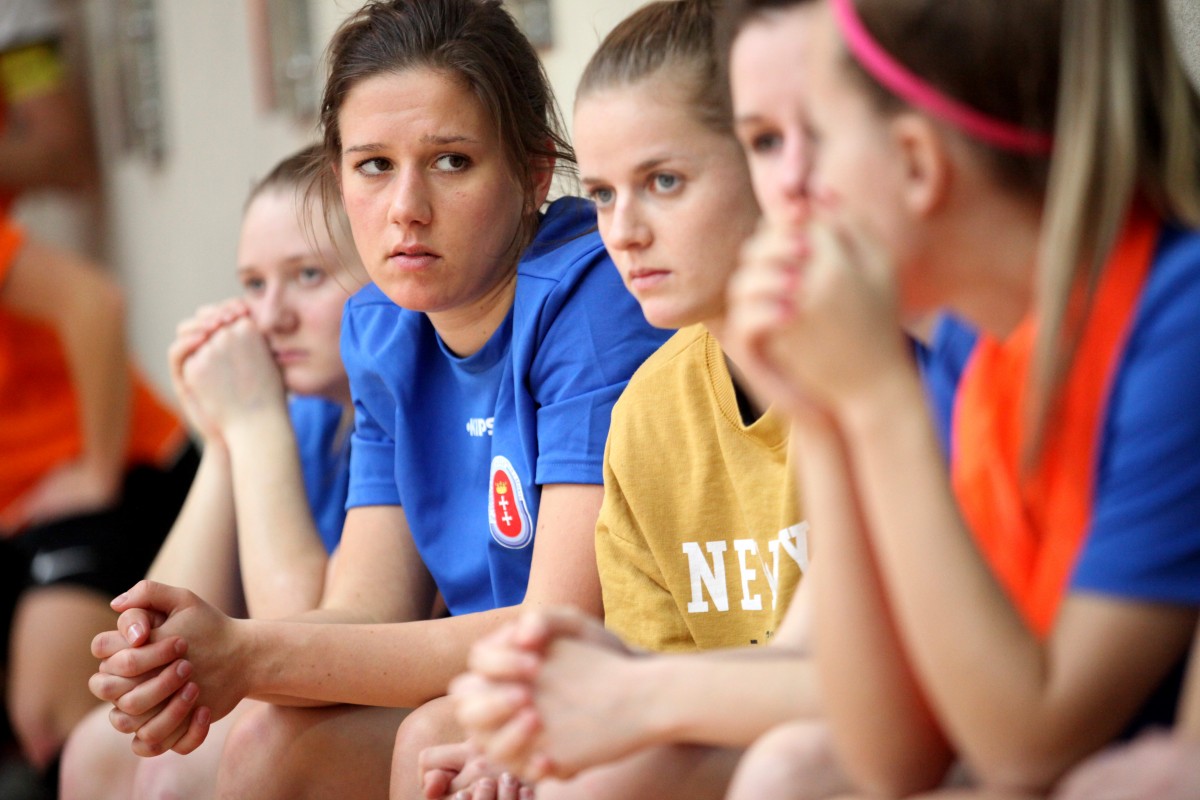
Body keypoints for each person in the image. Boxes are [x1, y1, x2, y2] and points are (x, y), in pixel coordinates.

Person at [87, 1, 669, 798]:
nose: (406, 209)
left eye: (452, 161)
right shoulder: (383, 328)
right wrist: (186, 654)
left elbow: (558, 628)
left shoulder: (589, 300)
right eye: (373, 166)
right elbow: (367, 605)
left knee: (428, 739)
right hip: (498, 682)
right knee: (265, 740)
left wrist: (249, 654)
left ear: (536, 171)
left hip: (618, 678)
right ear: (338, 178)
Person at [718, 0, 1200, 797]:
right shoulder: (973, 341)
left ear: (917, 163)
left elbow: (1028, 746)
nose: (799, 186)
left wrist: (880, 401)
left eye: (823, 138)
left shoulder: (1179, 317)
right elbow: (891, 756)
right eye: (770, 142)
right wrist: (824, 416)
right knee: (793, 773)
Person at [433, 3, 824, 799]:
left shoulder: (883, 368)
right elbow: (656, 682)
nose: (624, 232)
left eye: (663, 182)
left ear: (769, 163)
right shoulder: (649, 410)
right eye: (604, 195)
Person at [58, 145, 363, 800]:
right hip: (303, 687)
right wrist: (223, 436)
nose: (271, 316)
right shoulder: (305, 411)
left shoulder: (383, 415)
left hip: (356, 693)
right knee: (92, 749)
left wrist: (254, 425)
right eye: (253, 284)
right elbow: (158, 624)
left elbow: (300, 641)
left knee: (174, 774)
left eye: (307, 275)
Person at [0, 216, 193, 782]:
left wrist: (96, 476)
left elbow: (94, 302)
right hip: (21, 509)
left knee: (49, 716)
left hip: (117, 475)